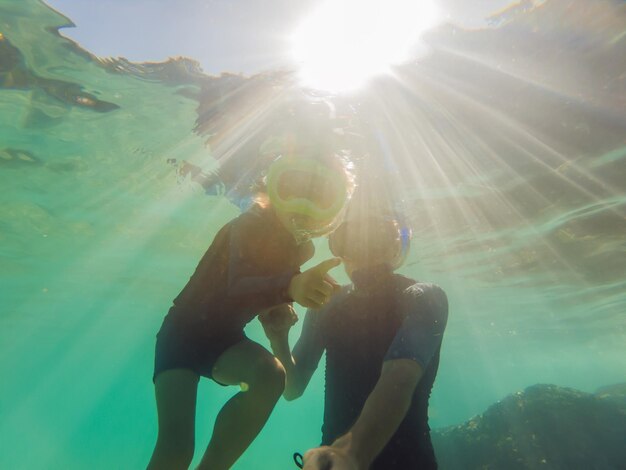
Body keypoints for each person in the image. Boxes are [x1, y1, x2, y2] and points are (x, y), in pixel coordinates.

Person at [148, 138, 353, 470]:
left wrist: (279, 313)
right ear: (272, 187)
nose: (303, 204)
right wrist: (290, 287)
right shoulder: (249, 223)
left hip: (223, 339)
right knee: (175, 449)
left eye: (320, 196)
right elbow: (238, 285)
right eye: (293, 188)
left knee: (272, 376)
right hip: (181, 333)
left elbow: (266, 292)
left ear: (332, 209)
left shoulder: (303, 250)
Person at [262, 215, 449, 469]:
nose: (364, 253)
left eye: (377, 240)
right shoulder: (326, 306)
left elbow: (400, 376)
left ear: (397, 247)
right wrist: (279, 339)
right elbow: (292, 388)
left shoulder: (424, 297)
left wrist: (350, 453)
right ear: (338, 250)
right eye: (350, 242)